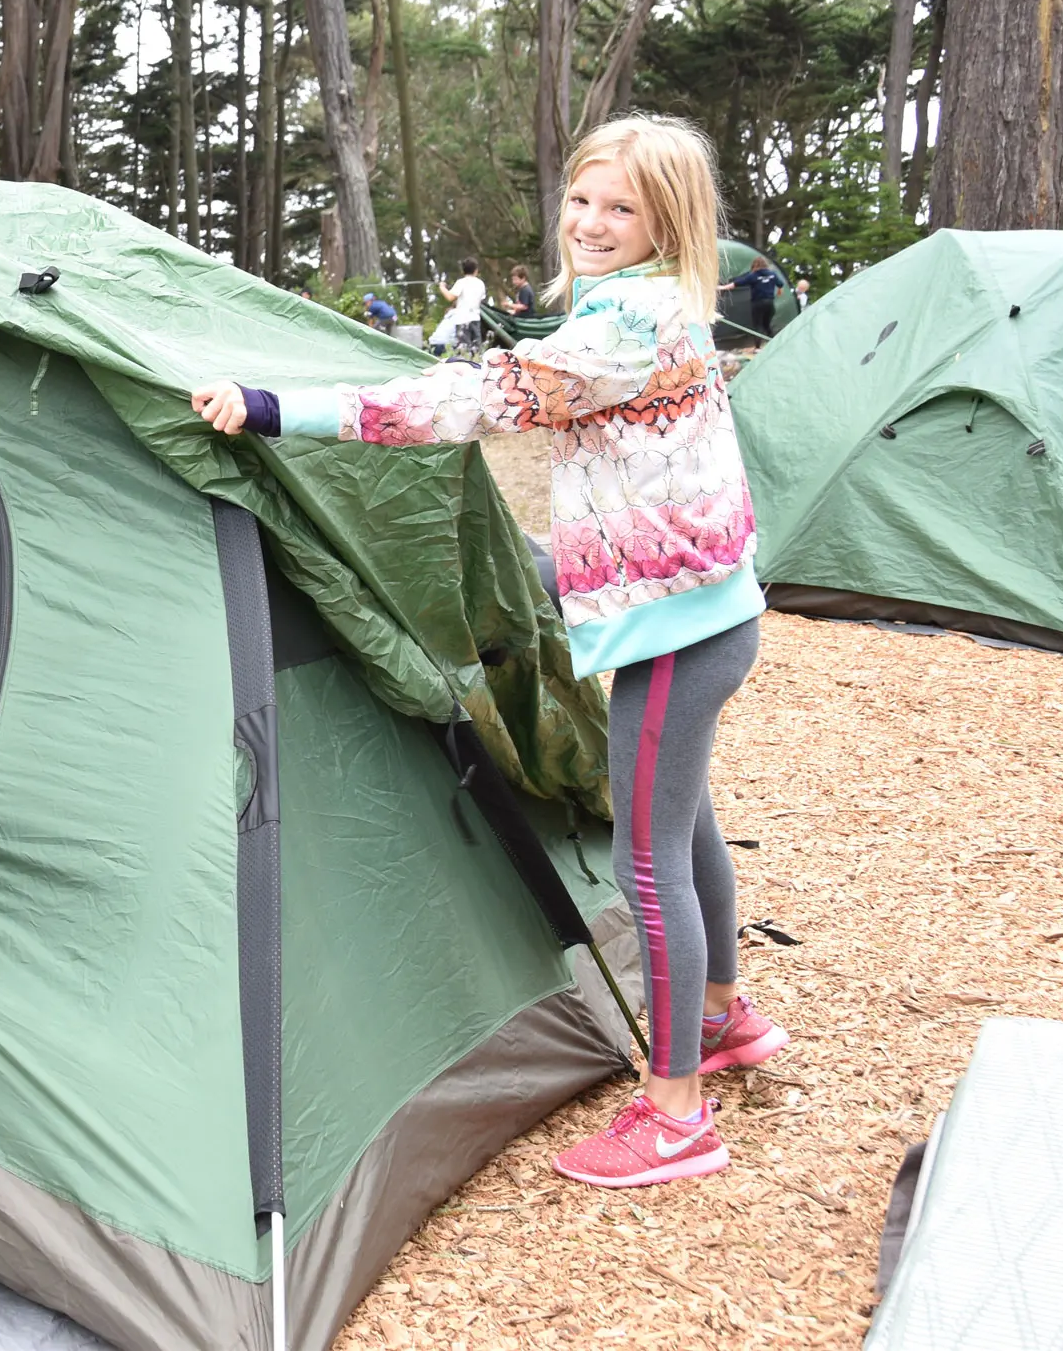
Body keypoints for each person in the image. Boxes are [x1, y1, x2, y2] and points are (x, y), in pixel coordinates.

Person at [190, 114, 789, 1190]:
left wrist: (284, 407)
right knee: (684, 823)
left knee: (646, 861)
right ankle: (724, 1017)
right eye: (583, 199)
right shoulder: (658, 308)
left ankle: (676, 1114)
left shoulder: (619, 330)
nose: (593, 222)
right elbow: (639, 484)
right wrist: (554, 560)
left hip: (678, 632)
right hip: (702, 606)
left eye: (623, 208)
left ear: (666, 222)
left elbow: (464, 400)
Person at [429, 258, 487, 357]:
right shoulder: (480, 284)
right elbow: (479, 299)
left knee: (464, 350)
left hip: (462, 320)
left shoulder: (461, 282)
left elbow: (450, 297)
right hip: (475, 319)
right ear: (476, 270)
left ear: (462, 270)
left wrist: (442, 287)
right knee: (476, 350)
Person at [740, 255, 783, 336]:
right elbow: (780, 284)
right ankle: (772, 340)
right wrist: (780, 290)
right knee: (767, 325)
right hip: (769, 303)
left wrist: (724, 287)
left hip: (757, 303)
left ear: (754, 265)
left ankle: (758, 347)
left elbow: (739, 282)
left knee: (757, 325)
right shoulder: (772, 274)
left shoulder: (753, 275)